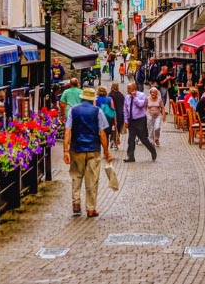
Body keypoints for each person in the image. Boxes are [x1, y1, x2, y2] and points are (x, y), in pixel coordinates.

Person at [63, 88, 112, 217]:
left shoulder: (73, 111)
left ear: (82, 98)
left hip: (76, 148)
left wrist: (65, 150)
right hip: (93, 149)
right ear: (92, 99)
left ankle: (76, 203)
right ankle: (90, 209)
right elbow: (102, 134)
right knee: (92, 180)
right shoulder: (98, 111)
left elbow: (68, 131)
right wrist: (106, 151)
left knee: (76, 176)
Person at [123, 82, 157, 162]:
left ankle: (152, 150)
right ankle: (131, 156)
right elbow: (125, 109)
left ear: (134, 89)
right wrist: (126, 120)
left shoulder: (141, 95)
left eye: (129, 88)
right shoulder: (127, 97)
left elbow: (141, 105)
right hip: (131, 121)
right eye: (127, 88)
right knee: (131, 139)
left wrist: (134, 97)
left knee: (143, 139)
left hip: (140, 120)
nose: (127, 90)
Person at [109, 82, 126, 150]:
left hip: (112, 114)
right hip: (120, 114)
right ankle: (115, 142)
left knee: (112, 128)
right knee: (118, 129)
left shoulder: (110, 95)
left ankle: (112, 141)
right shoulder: (121, 95)